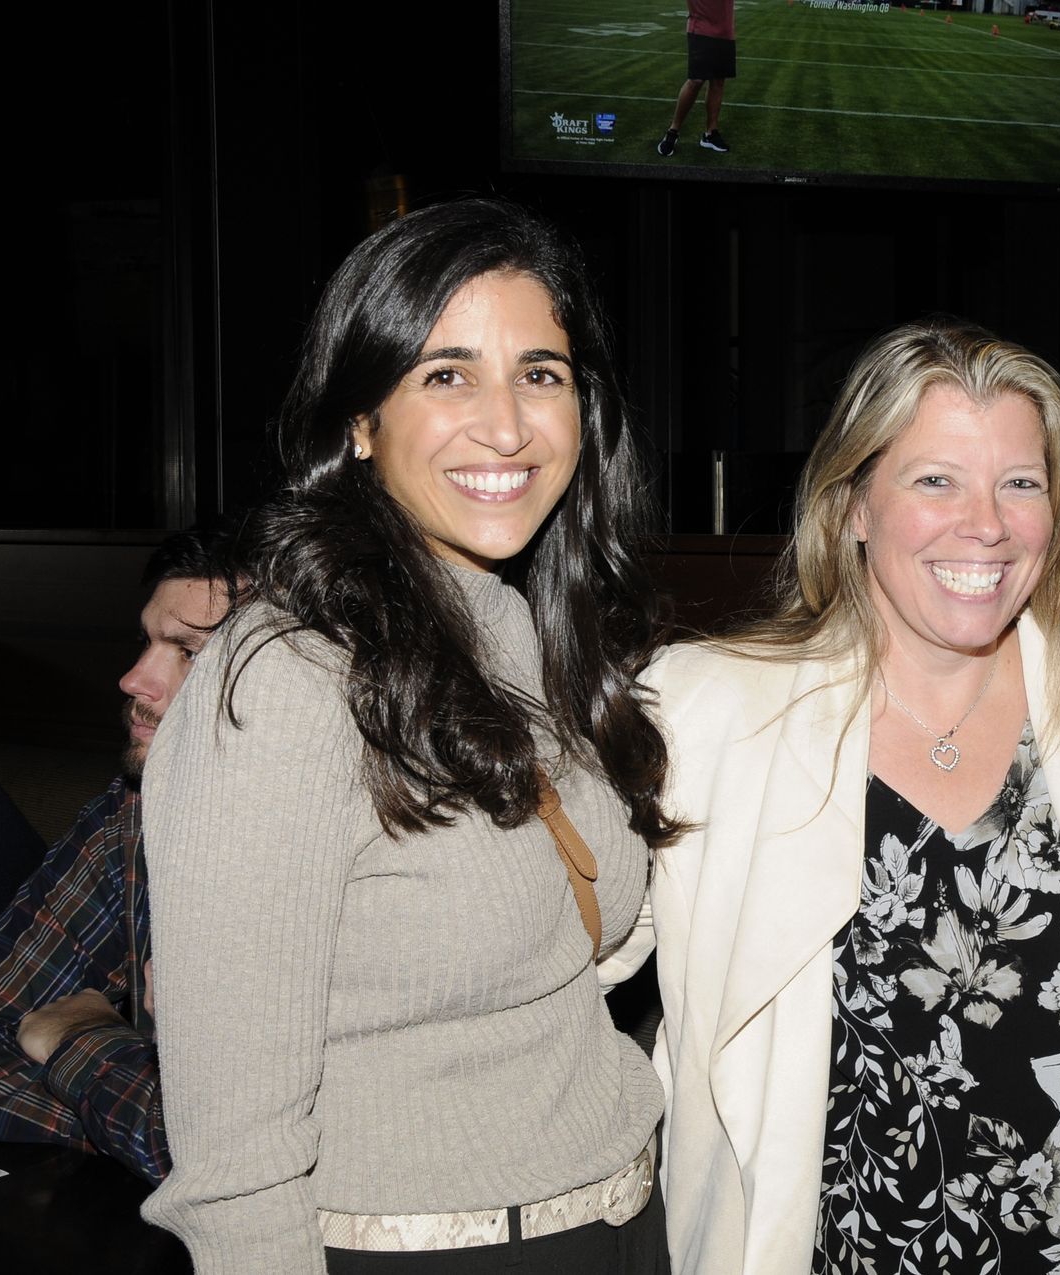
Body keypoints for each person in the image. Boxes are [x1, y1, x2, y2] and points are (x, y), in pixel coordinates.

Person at [139, 200, 675, 1272]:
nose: (507, 423)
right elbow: (234, 1158)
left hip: (618, 1226)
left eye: (540, 373)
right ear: (359, 418)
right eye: (445, 374)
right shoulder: (287, 676)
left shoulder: (531, 631)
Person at [606, 319, 1060, 1273]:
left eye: (1021, 482)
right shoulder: (707, 711)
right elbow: (556, 962)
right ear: (852, 506)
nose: (988, 523)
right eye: (935, 480)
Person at [0, 527, 237, 1185]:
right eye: (148, 641)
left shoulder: (339, 861)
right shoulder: (135, 814)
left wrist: (76, 1040)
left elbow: (226, 1155)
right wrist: (127, 1121)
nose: (133, 678)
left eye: (188, 652)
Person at [655, 0, 736, 157]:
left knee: (718, 81)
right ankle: (673, 131)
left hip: (725, 31)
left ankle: (710, 133)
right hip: (701, 29)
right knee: (696, 80)